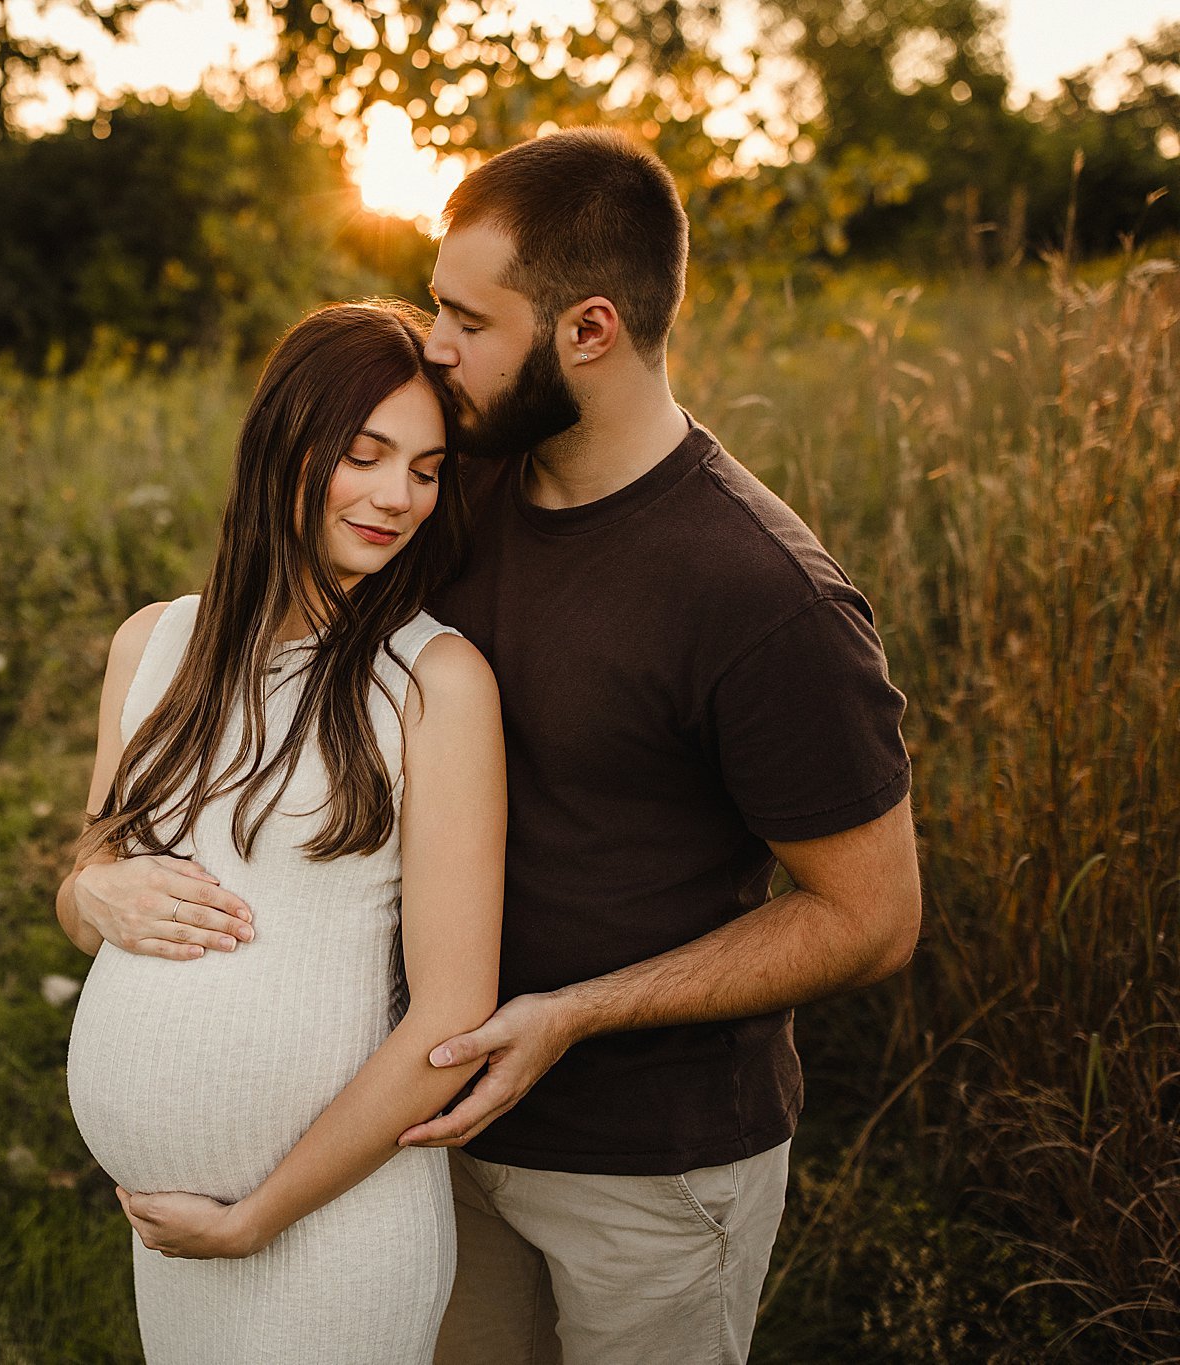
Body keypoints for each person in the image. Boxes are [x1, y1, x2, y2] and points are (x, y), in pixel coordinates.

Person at [65, 128, 922, 1365]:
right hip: (428, 1137)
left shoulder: (758, 596)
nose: (432, 344)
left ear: (585, 331)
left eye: (464, 317)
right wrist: (102, 882)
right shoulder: (454, 488)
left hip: (644, 1165)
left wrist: (569, 1014)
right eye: (431, 305)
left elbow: (870, 916)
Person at [57, 299, 506, 1364]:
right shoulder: (153, 644)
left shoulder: (433, 680)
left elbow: (452, 1017)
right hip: (170, 1237)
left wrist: (259, 1215)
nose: (396, 497)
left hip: (333, 1234)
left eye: (426, 468)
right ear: (282, 444)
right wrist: (90, 890)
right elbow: (85, 894)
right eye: (364, 455)